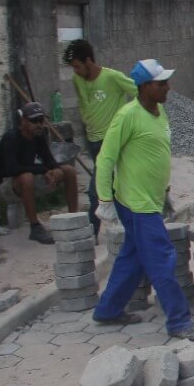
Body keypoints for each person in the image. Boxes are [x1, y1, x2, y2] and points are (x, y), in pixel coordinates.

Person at [92, 59, 194, 340]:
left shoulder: (160, 111)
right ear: (144, 87)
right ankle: (179, 321)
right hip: (135, 204)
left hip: (151, 200)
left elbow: (156, 153)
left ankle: (108, 310)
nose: (168, 87)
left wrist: (164, 192)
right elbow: (105, 159)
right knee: (161, 257)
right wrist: (104, 199)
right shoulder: (127, 116)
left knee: (133, 257)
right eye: (161, 83)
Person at [63, 39, 137, 238]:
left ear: (88, 61)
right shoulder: (78, 80)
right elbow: (84, 105)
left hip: (110, 141)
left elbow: (140, 93)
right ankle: (126, 227)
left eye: (78, 66)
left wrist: (128, 122)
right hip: (92, 140)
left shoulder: (112, 77)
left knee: (96, 189)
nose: (76, 71)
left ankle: (90, 233)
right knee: (112, 184)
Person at [0, 102, 78, 245]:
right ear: (23, 121)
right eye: (34, 121)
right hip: (5, 186)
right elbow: (12, 169)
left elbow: (49, 160)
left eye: (41, 120)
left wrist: (54, 170)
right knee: (27, 177)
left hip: (26, 179)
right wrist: (44, 170)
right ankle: (35, 227)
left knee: (69, 171)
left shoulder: (39, 136)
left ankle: (74, 219)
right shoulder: (11, 137)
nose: (39, 124)